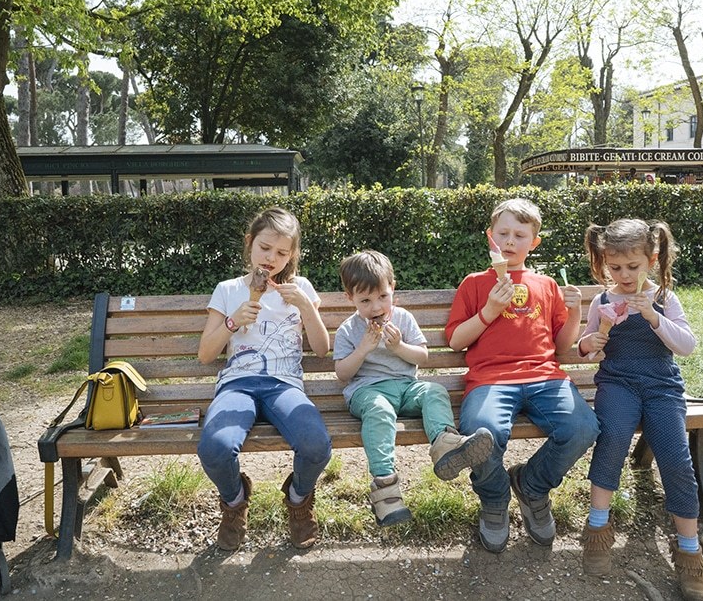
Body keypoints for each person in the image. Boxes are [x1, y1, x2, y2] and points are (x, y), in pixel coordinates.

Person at [445, 198, 600, 553]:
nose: (510, 242)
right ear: (490, 238)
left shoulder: (545, 284)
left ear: (534, 242)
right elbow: (455, 341)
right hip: (490, 381)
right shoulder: (474, 284)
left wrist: (574, 315)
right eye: (503, 234)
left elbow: (561, 347)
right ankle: (495, 499)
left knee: (583, 428)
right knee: (482, 434)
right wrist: (489, 311)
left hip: (545, 377)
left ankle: (531, 484)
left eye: (519, 235)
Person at [577, 218, 703, 601]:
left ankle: (689, 551)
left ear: (651, 260)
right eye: (614, 268)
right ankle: (598, 530)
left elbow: (686, 345)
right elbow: (585, 348)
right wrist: (596, 339)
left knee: (675, 457)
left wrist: (653, 317)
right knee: (613, 438)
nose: (623, 275)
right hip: (617, 383)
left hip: (660, 387)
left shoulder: (665, 298)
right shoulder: (603, 300)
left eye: (632, 267)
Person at [196, 207, 332, 551]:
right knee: (214, 448)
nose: (272, 258)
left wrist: (306, 306)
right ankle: (234, 500)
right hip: (238, 385)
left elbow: (321, 349)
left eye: (282, 252)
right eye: (265, 248)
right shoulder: (228, 289)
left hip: (284, 385)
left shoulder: (300, 288)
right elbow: (205, 355)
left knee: (317, 446)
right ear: (250, 244)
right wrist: (231, 322)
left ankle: (299, 499)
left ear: (292, 255)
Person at [333, 250, 494, 526]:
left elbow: (422, 357)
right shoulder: (348, 330)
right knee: (380, 410)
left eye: (382, 296)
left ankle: (445, 445)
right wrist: (363, 349)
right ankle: (385, 487)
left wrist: (398, 347)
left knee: (434, 391)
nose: (375, 307)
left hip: (407, 387)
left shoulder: (404, 319)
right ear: (350, 299)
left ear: (392, 288)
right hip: (367, 391)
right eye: (365, 300)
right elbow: (342, 374)